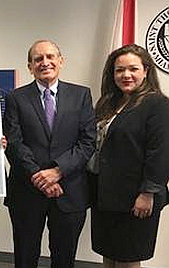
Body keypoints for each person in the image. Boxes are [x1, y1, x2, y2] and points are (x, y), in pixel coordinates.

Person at [3, 40, 96, 268]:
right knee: (25, 256)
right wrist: (39, 177)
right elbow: (14, 143)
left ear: (60, 61)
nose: (45, 62)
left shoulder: (81, 95)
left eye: (50, 57)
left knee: (64, 258)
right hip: (27, 191)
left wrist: (57, 171)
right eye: (38, 59)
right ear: (30, 66)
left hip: (69, 191)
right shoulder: (15, 98)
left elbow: (87, 141)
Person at [89, 44, 169, 268]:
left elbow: (161, 153)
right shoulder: (107, 103)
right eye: (119, 70)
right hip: (105, 195)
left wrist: (148, 193)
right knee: (109, 253)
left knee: (128, 257)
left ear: (145, 70)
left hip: (136, 198)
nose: (126, 75)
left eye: (133, 69)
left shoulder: (157, 104)